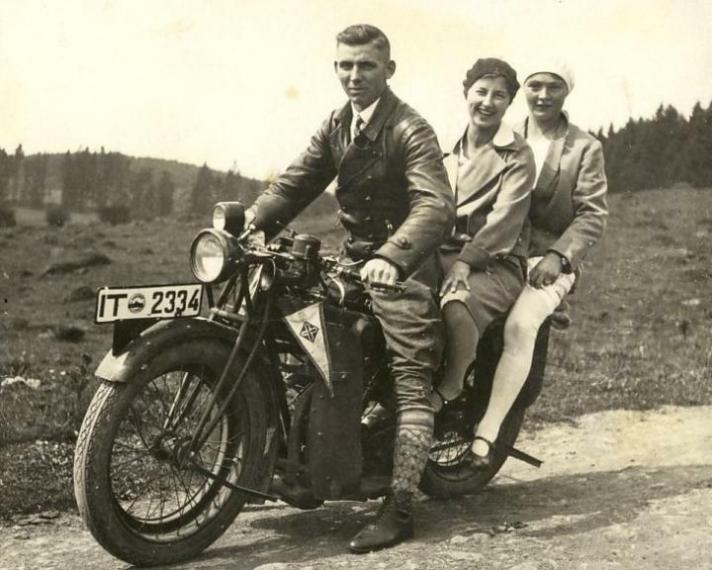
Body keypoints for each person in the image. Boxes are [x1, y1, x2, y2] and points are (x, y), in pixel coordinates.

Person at [244, 24, 454, 553]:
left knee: (411, 377)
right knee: (298, 331)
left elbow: (435, 206)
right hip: (356, 260)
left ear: (389, 69)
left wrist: (392, 257)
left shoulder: (410, 129)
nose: (354, 75)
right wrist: (252, 220)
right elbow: (296, 182)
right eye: (345, 65)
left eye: (366, 65)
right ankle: (303, 454)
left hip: (403, 267)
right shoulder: (338, 124)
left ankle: (400, 507)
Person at [465, 61, 609, 467]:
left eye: (553, 87)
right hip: (497, 256)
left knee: (520, 325)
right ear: (522, 90)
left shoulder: (584, 148)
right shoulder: (502, 137)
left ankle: (486, 434)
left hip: (548, 262)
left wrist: (559, 257)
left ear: (567, 92)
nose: (543, 95)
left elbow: (592, 214)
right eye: (534, 86)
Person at [432, 58, 534, 461]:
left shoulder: (517, 154)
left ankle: (452, 384)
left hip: (495, 261)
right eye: (481, 92)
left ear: (509, 103)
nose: (488, 102)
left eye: (499, 95)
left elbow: (505, 220)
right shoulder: (446, 146)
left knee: (456, 303)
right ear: (466, 93)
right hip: (440, 252)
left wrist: (465, 262)